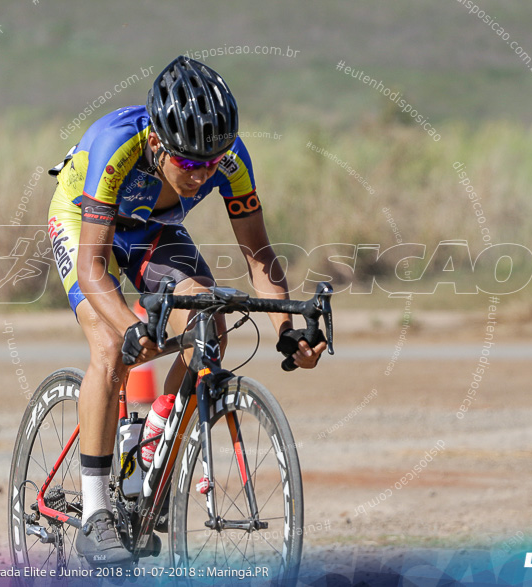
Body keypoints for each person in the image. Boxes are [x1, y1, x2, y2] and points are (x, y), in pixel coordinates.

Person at [46, 56, 328, 566]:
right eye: (191, 164)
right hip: (83, 219)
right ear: (157, 144)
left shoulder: (229, 160)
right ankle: (95, 513)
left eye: (213, 163)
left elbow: (259, 257)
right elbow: (92, 268)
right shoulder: (117, 145)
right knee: (110, 346)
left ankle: (150, 442)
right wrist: (132, 327)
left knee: (209, 325)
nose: (203, 175)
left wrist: (287, 328)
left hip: (152, 227)